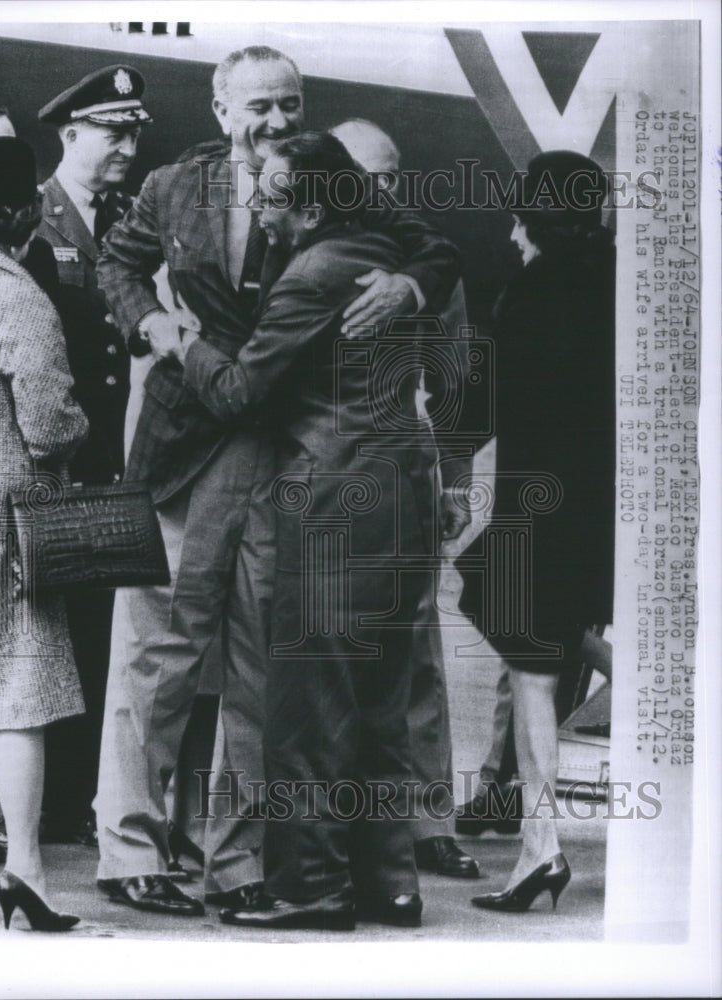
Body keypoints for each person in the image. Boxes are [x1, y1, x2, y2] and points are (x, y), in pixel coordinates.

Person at [94, 44, 459, 916]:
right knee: (159, 654)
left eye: (290, 105)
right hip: (191, 448)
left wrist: (410, 286)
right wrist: (150, 323)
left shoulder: (329, 177)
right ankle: (130, 848)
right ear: (220, 111)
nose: (276, 123)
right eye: (258, 106)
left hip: (294, 458)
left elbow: (435, 247)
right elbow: (115, 263)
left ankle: (243, 863)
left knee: (269, 673)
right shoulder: (171, 187)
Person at [178, 130, 438, 929]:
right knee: (383, 699)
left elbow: (237, 394)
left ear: (315, 205)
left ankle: (312, 888)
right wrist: (416, 283)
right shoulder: (385, 245)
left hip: (331, 504)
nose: (257, 206)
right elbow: (439, 248)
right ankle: (391, 882)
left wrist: (179, 341)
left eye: (271, 195)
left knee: (311, 704)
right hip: (404, 493)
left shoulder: (310, 277)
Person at [458, 150, 615, 912]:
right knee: (543, 642)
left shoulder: (530, 292)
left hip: (534, 506)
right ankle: (621, 670)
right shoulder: (620, 282)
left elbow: (486, 404)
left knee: (530, 666)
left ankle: (539, 848)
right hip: (597, 507)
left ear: (536, 219)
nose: (513, 233)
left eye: (520, 217)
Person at [0, 136, 89, 929]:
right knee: (17, 702)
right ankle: (24, 872)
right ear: (27, 213)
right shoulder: (19, 295)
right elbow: (53, 426)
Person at [329, 118, 480, 878]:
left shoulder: (429, 260)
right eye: (366, 176)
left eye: (391, 178)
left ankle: (429, 822)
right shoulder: (295, 247)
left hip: (405, 467)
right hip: (317, 477)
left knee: (417, 649)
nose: (381, 191)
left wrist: (454, 479)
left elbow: (453, 381)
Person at [33, 66, 152, 847]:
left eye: (134, 132)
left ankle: (79, 799)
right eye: (113, 131)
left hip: (119, 460)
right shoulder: (36, 223)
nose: (127, 146)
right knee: (60, 636)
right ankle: (43, 803)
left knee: (106, 631)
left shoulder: (126, 222)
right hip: (65, 461)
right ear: (71, 133)